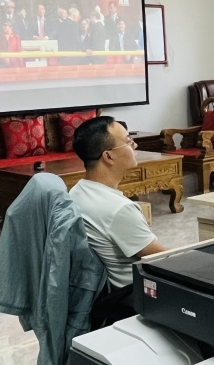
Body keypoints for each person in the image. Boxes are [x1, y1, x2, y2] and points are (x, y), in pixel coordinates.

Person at [70, 116, 166, 288]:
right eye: (129, 141)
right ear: (108, 156)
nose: (135, 146)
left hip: (104, 289)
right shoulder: (118, 209)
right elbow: (164, 258)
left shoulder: (77, 191)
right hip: (135, 291)